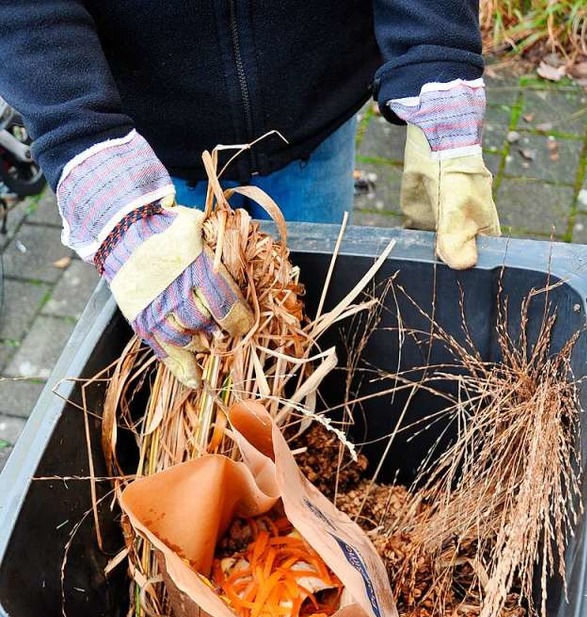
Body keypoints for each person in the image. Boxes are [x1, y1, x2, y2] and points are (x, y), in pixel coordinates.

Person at [0, 2, 499, 388]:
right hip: (145, 155)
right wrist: (105, 186)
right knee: (190, 365)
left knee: (313, 322)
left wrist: (436, 67)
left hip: (311, 116)